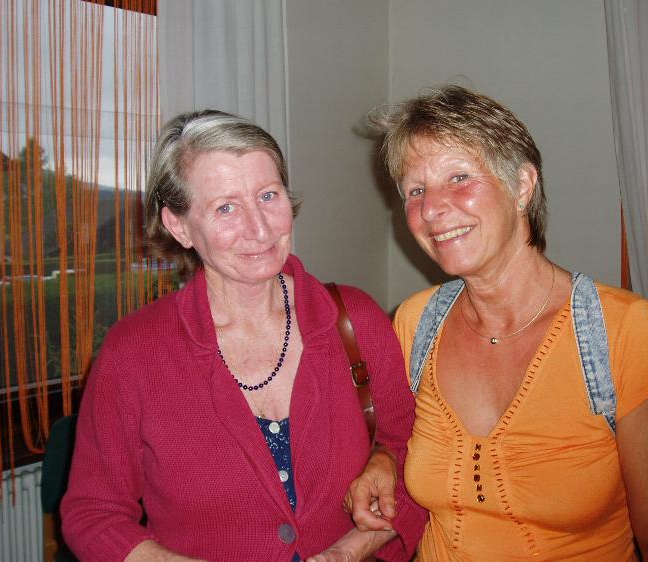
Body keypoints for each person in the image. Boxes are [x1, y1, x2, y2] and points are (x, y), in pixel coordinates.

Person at [61, 109, 427, 562]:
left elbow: (416, 453)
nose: (259, 228)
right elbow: (93, 513)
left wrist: (347, 549)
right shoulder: (133, 353)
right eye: (226, 207)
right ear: (179, 226)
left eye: (268, 196)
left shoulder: (355, 319)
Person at [347, 86, 648, 561]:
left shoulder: (621, 331)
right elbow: (398, 441)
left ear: (522, 186)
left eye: (459, 177)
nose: (431, 209)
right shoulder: (414, 322)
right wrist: (383, 459)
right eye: (416, 190)